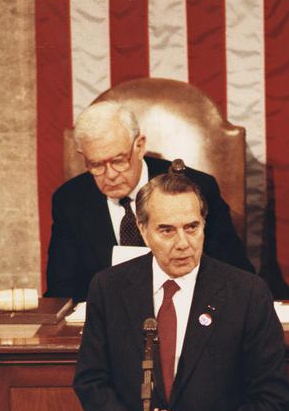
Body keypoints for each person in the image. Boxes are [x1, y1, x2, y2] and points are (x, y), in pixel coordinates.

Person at [73, 173, 289, 411]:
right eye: (167, 230)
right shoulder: (109, 288)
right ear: (142, 230)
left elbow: (273, 403)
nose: (182, 243)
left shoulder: (247, 294)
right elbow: (91, 381)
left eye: (192, 228)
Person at [46, 101, 254, 301]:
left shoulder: (194, 188)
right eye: (96, 164)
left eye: (119, 161)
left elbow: (235, 273)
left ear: (139, 145)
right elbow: (61, 289)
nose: (110, 175)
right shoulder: (70, 200)